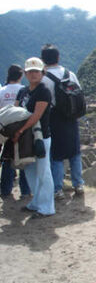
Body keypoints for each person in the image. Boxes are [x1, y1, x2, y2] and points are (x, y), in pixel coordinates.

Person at [40, 44, 84, 199]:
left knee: (57, 155)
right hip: (71, 117)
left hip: (54, 118)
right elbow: (79, 93)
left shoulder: (44, 79)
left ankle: (57, 189)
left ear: (43, 60)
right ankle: (78, 184)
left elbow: (42, 101)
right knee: (75, 152)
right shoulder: (70, 74)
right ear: (58, 57)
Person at [13, 57, 54, 218]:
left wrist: (20, 130)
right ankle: (36, 202)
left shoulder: (43, 91)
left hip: (40, 137)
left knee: (43, 171)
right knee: (29, 170)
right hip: (25, 138)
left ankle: (47, 207)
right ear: (25, 73)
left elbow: (36, 116)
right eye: (30, 72)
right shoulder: (22, 91)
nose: (33, 74)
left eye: (36, 71)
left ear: (42, 73)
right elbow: (15, 111)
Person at [0, 65, 31, 198]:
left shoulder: (2, 91)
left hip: (5, 128)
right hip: (22, 129)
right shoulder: (24, 90)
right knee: (23, 158)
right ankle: (25, 191)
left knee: (7, 159)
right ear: (21, 75)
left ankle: (5, 190)